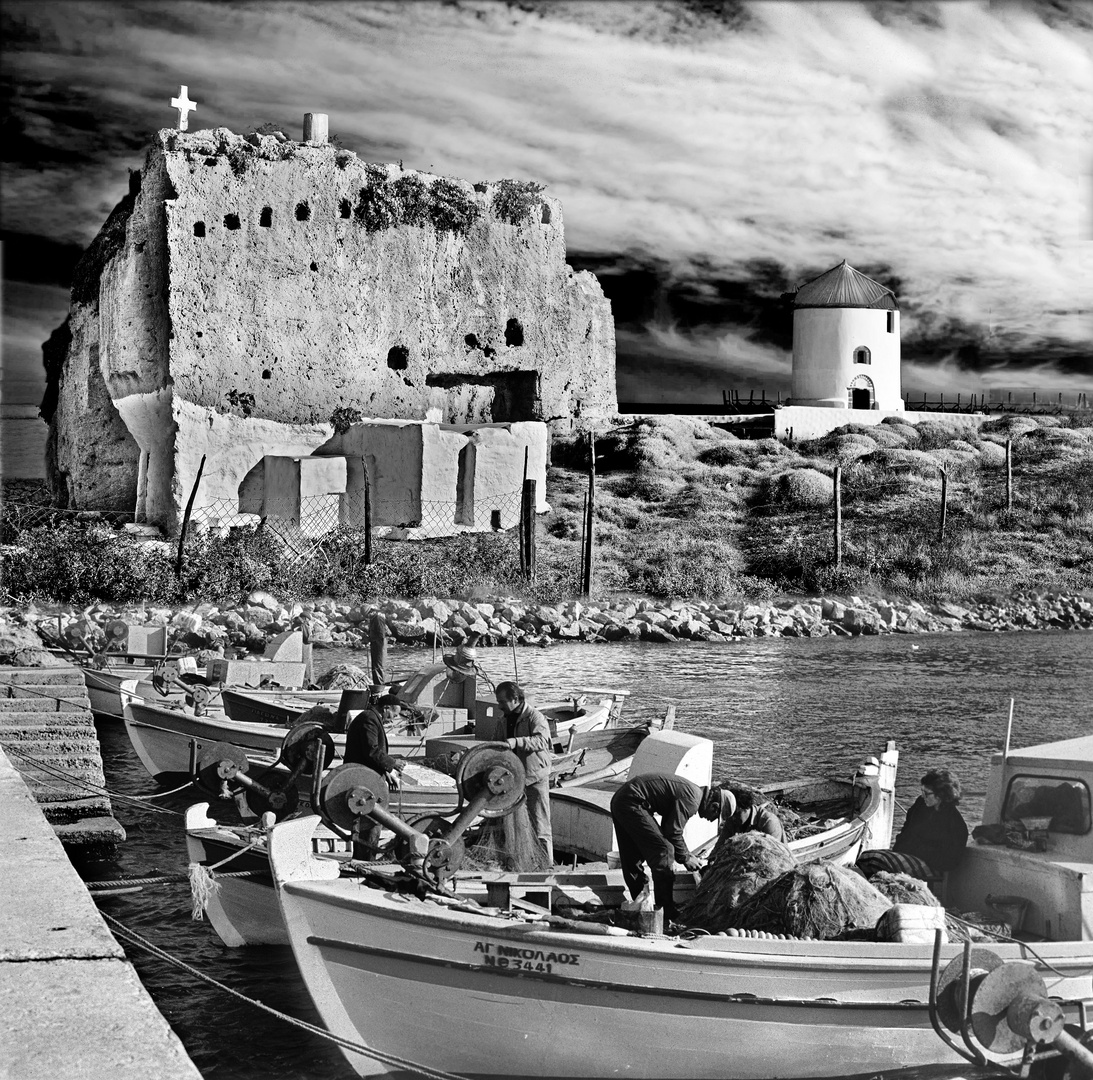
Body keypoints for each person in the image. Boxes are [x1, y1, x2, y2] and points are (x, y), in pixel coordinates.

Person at [609, 776, 730, 924]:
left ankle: (640, 905)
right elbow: (673, 832)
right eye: (715, 817)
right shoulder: (692, 799)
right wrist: (686, 858)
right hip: (632, 802)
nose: (711, 820)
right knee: (664, 850)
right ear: (714, 806)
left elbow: (668, 829)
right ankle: (666, 911)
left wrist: (685, 854)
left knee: (632, 857)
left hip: (621, 800)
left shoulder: (692, 792)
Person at [857, 768, 968, 881]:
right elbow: (906, 832)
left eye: (927, 793)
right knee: (865, 856)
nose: (923, 796)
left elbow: (949, 860)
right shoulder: (921, 805)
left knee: (875, 860)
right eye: (922, 791)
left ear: (940, 795)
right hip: (909, 854)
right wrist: (906, 847)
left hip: (933, 866)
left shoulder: (955, 823)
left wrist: (913, 848)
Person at [495, 681, 553, 865]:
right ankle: (520, 862)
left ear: (515, 699)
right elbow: (496, 745)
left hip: (535, 777)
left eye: (502, 701)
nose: (500, 705)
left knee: (540, 825)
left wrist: (516, 742)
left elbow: (542, 742)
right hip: (514, 780)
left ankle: (547, 865)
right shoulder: (503, 719)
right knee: (513, 826)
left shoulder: (535, 717)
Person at [342, 693, 406, 859]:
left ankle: (363, 859)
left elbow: (369, 752)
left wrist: (387, 771)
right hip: (363, 781)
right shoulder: (369, 719)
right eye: (394, 714)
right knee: (370, 822)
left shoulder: (370, 717)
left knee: (368, 821)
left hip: (366, 778)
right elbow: (371, 750)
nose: (393, 719)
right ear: (385, 709)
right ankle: (365, 862)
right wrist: (392, 764)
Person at [719, 783, 784, 843]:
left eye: (736, 815)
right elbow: (718, 848)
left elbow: (773, 853)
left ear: (746, 808)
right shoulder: (731, 821)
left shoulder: (768, 821)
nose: (733, 819)